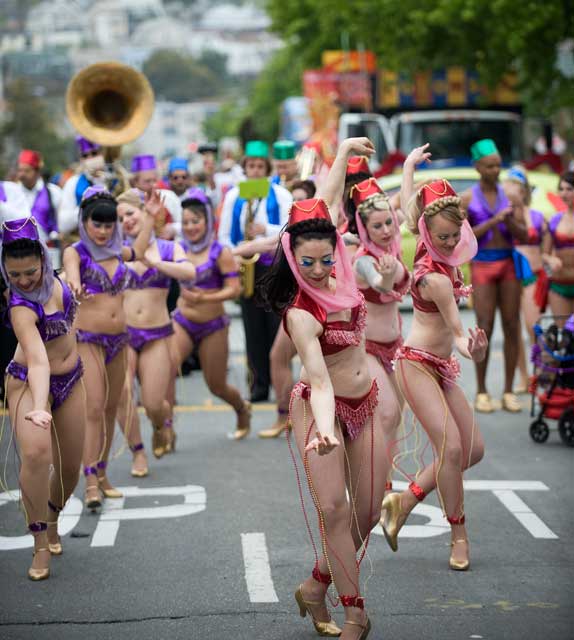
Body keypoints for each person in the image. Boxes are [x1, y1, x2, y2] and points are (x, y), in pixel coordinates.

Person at [258, 137, 391, 640]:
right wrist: (325, 428)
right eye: (306, 263)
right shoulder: (299, 311)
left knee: (370, 511)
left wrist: (340, 155)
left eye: (324, 260)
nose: (317, 270)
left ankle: (316, 584)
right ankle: (356, 611)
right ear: (293, 260)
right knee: (335, 510)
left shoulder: (337, 259)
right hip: (321, 414)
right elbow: (316, 379)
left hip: (366, 402)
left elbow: (329, 204)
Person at [381, 144, 486, 572]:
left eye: (453, 237)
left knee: (473, 450)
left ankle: (403, 502)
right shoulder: (436, 278)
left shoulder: (434, 236)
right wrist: (472, 348)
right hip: (417, 363)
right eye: (440, 237)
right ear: (426, 233)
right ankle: (458, 534)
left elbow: (409, 208)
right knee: (453, 448)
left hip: (440, 367)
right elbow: (458, 333)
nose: (447, 242)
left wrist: (407, 166)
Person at [62, 186, 158, 510]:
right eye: (96, 224)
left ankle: (101, 473)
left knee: (110, 407)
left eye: (108, 225)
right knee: (93, 408)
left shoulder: (118, 252)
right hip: (88, 339)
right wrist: (73, 286)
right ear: (84, 221)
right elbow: (71, 275)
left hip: (120, 339)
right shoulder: (76, 252)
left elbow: (142, 250)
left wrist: (150, 219)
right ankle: (89, 480)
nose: (103, 231)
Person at [2, 217, 85, 580]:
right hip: (27, 383)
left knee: (69, 470)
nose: (23, 281)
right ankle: (38, 543)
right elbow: (37, 361)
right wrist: (38, 406)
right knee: (37, 455)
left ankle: (53, 517)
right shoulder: (20, 305)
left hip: (71, 378)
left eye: (30, 272)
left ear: (42, 257)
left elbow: (73, 255)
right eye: (13, 274)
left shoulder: (62, 284)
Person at [115, 189, 195, 475]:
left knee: (152, 403)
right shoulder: (116, 251)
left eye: (130, 213)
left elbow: (190, 273)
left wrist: (156, 264)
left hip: (157, 335)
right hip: (122, 336)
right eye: (120, 217)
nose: (125, 220)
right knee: (123, 393)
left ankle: (162, 424)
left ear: (145, 212)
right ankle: (138, 453)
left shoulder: (166, 247)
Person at [170, 189, 251, 440]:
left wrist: (204, 297)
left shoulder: (220, 252)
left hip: (213, 325)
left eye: (196, 221)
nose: (191, 227)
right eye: (185, 222)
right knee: (164, 370)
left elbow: (234, 290)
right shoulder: (177, 248)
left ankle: (241, 407)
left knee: (216, 385)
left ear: (207, 221)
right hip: (182, 321)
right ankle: (165, 426)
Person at [349, 177, 410, 493]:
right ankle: (380, 489)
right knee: (386, 414)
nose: (386, 230)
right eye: (377, 226)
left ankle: (382, 482)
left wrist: (409, 165)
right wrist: (386, 278)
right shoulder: (363, 260)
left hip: (395, 346)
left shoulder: (393, 244)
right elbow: (379, 285)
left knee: (394, 417)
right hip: (368, 348)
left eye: (389, 222)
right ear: (365, 230)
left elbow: (407, 207)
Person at [218, 140, 292, 402]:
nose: (256, 171)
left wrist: (266, 231)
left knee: (275, 326)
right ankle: (258, 383)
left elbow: (289, 228)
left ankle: (278, 379)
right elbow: (224, 235)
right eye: (251, 166)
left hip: (273, 269)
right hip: (246, 269)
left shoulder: (281, 194)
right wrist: (237, 255)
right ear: (245, 168)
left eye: (261, 166)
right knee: (252, 329)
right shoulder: (233, 196)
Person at [461, 139, 528, 413]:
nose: (495, 170)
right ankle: (482, 391)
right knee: (484, 327)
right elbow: (462, 240)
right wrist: (492, 221)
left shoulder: (510, 196)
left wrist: (509, 220)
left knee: (512, 325)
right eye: (489, 166)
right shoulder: (467, 198)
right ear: (478, 167)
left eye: (498, 165)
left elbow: (525, 234)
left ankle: (509, 390)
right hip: (483, 264)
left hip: (508, 263)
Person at [502, 167, 545, 393]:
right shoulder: (504, 215)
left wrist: (522, 206)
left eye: (514, 185)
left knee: (532, 326)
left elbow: (537, 238)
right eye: (507, 185)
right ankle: (523, 377)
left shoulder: (535, 216)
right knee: (512, 328)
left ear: (523, 189)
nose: (509, 189)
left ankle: (539, 373)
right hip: (510, 273)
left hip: (531, 276)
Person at [539, 171, 574, 319]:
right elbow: (544, 254)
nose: (564, 194)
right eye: (561, 189)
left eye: (569, 189)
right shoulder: (554, 221)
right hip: (559, 286)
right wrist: (550, 260)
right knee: (564, 338)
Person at [59, 136, 106, 237]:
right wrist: (86, 208)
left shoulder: (116, 180)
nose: (90, 158)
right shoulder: (73, 182)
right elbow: (63, 224)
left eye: (94, 153)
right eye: (85, 156)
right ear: (81, 159)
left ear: (103, 153)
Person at [15, 150, 62, 244]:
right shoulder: (12, 192)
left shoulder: (53, 192)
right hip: (17, 250)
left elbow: (61, 222)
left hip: (48, 250)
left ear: (37, 172)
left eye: (27, 171)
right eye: (20, 170)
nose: (22, 174)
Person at [131, 155, 182, 239]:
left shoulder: (169, 196)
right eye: (147, 181)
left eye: (155, 180)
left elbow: (183, 222)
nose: (153, 185)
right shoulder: (130, 201)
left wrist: (173, 229)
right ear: (135, 182)